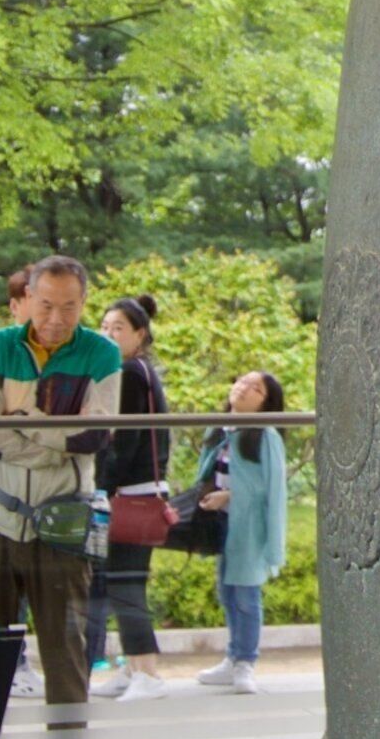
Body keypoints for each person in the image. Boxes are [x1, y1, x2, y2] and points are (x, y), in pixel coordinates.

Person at [0, 255, 120, 701]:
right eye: (47, 305)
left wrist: (22, 422)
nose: (56, 318)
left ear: (84, 302)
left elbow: (94, 436)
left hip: (63, 522)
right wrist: (52, 442)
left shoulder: (101, 353)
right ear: (28, 297)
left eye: (69, 306)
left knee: (66, 654)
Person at [85, 294, 176, 702]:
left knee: (126, 584)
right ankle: (133, 668)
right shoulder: (137, 370)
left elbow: (126, 439)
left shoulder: (130, 372)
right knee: (120, 582)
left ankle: (148, 673)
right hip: (138, 491)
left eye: (118, 328)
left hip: (132, 495)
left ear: (140, 334)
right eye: (104, 326)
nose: (108, 334)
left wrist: (102, 484)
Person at [193, 369, 291, 694]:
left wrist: (230, 496)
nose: (244, 388)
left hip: (249, 526)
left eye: (256, 388)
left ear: (266, 404)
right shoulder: (220, 429)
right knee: (226, 590)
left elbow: (271, 487)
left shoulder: (265, 435)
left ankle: (245, 661)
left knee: (246, 594)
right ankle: (232, 657)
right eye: (242, 382)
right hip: (222, 522)